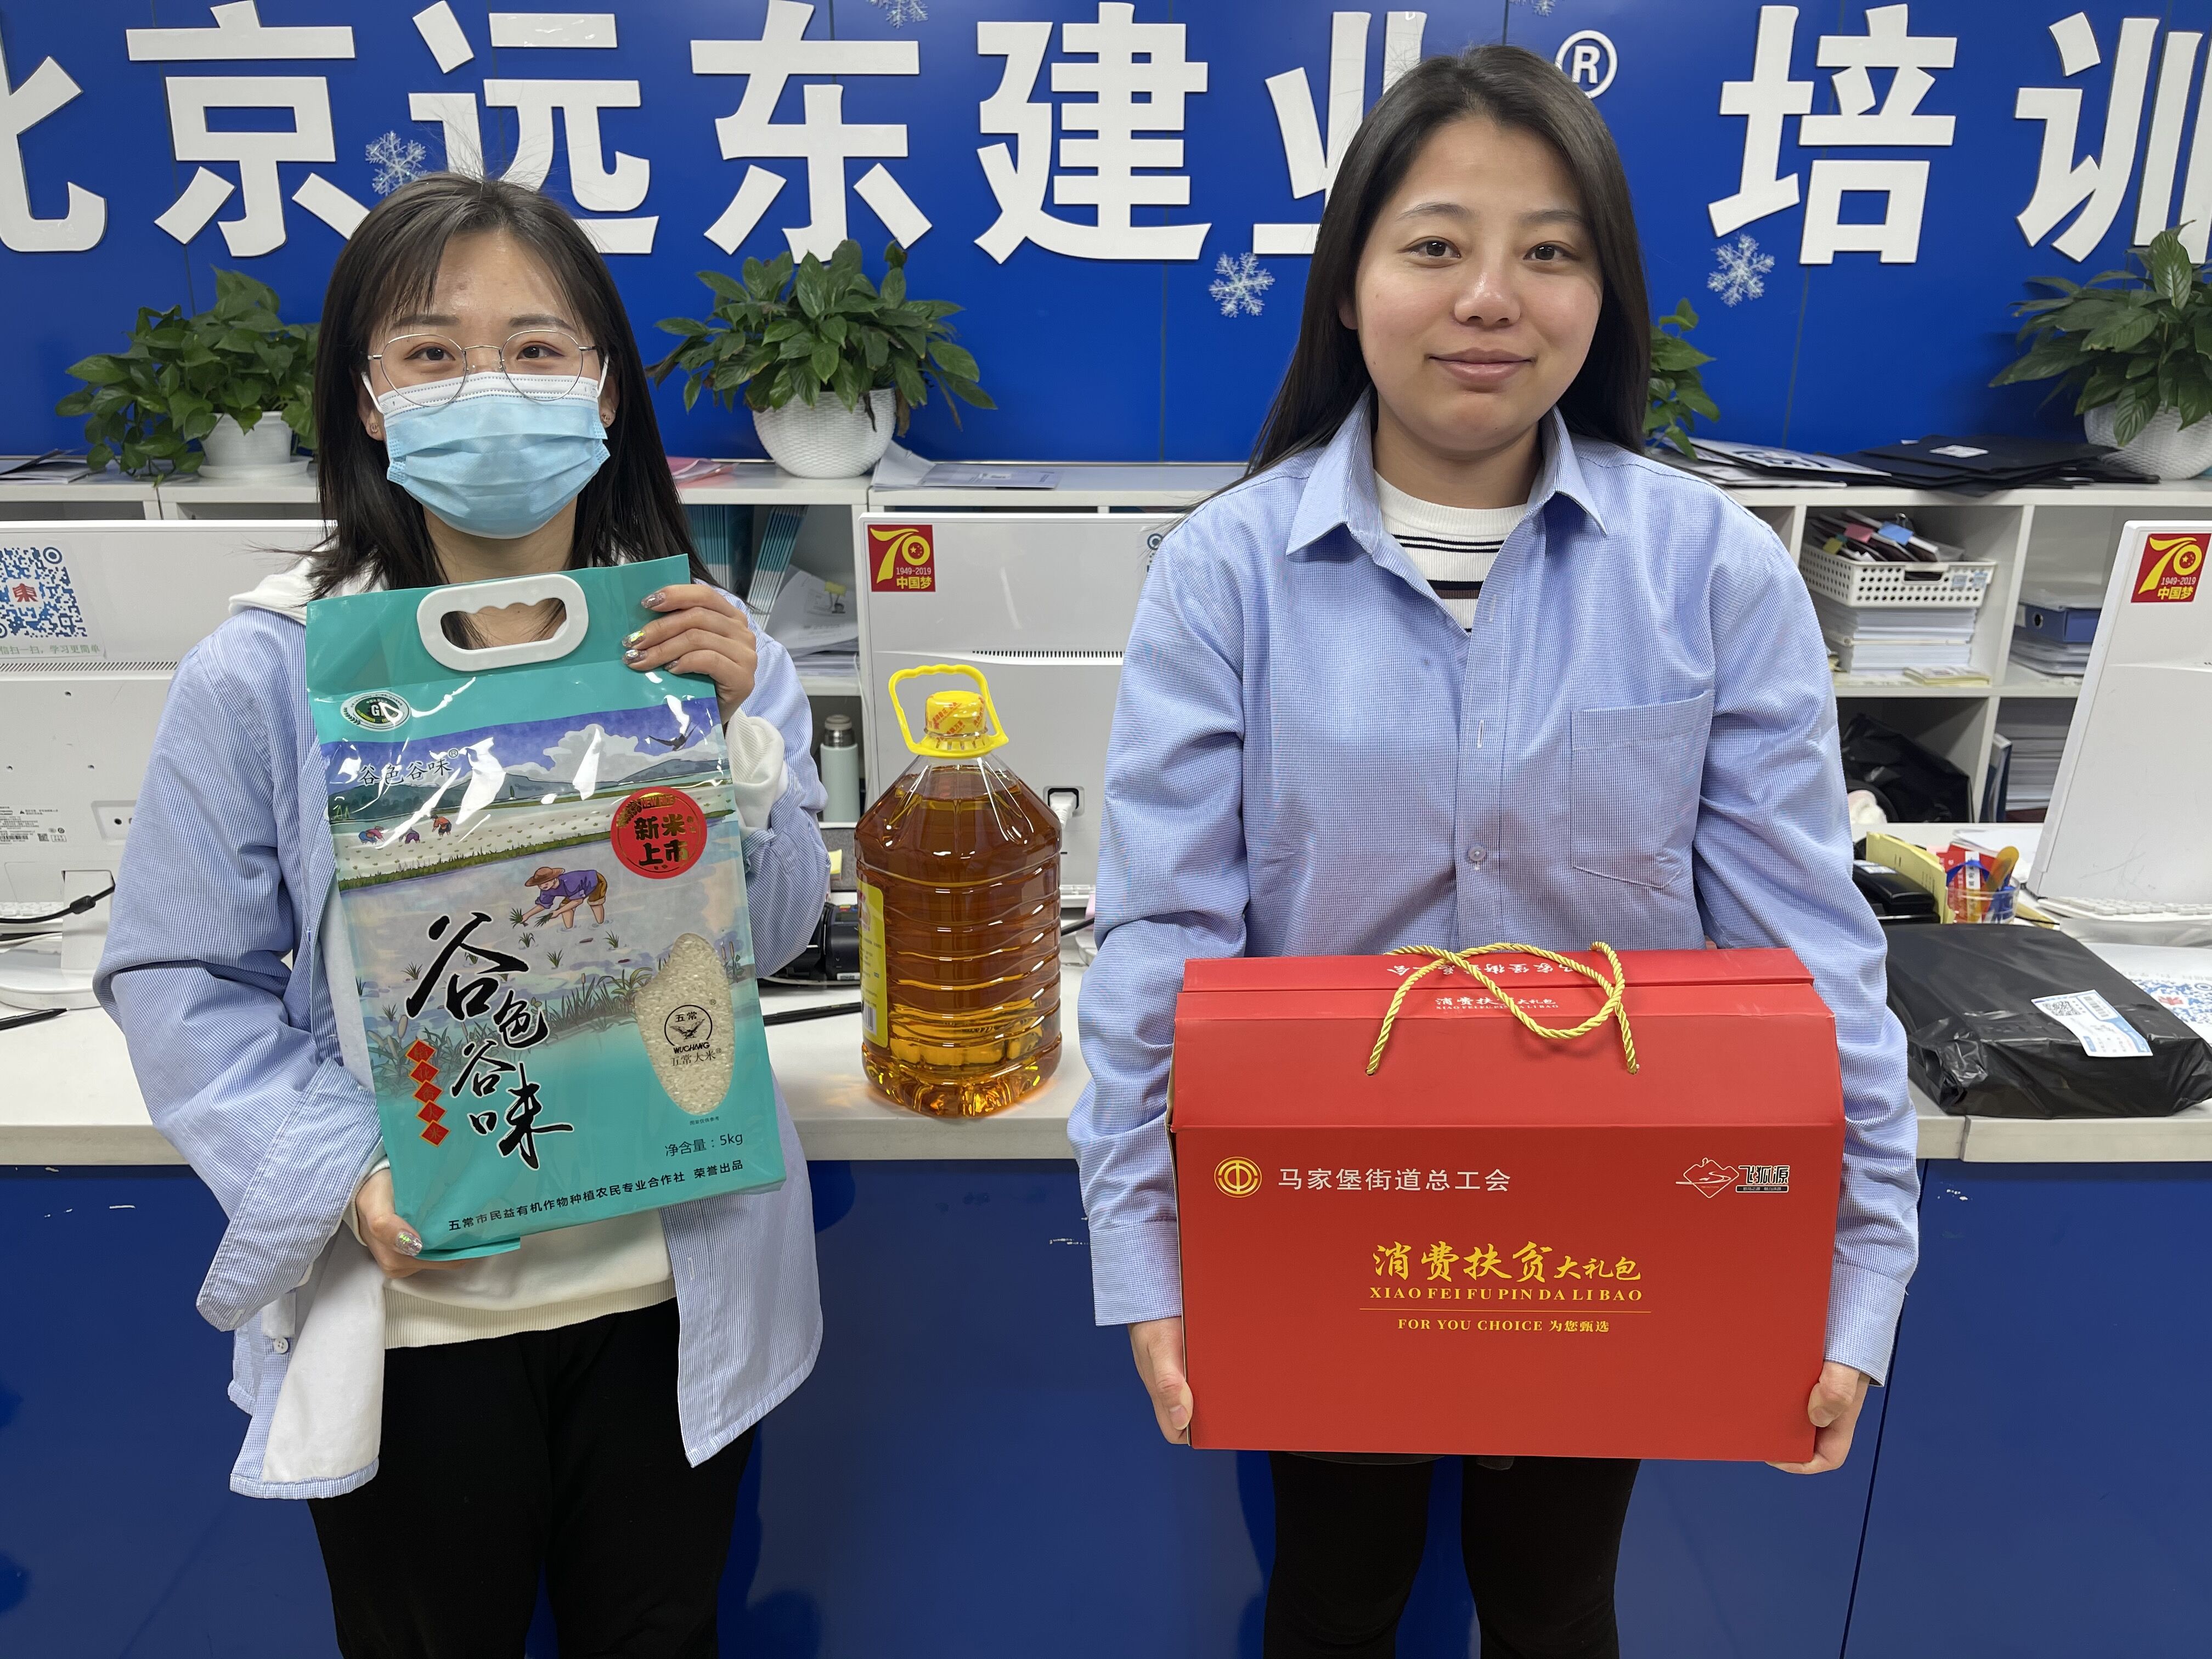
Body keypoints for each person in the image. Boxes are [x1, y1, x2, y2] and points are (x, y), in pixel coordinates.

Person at [1071, 45, 1917, 1659]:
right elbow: (1162, 939)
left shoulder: (1711, 569)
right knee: (1334, 1598)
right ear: (1350, 287)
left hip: (1614, 1215)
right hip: (1326, 1203)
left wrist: (1859, 1262)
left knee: (1554, 1601)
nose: (1490, 298)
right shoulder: (1225, 574)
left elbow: (1813, 957)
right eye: (1436, 244)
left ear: (1603, 296)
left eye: (1550, 251)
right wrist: (1147, 1250)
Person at [96, 173, 832, 1657]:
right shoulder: (270, 668)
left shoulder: (700, 647)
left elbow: (773, 936)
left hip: (669, 1288)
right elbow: (176, 974)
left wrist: (741, 745)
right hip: (421, 1307)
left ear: (603, 391)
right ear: (369, 401)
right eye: (433, 353)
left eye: (536, 349)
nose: (490, 388)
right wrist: (342, 1172)